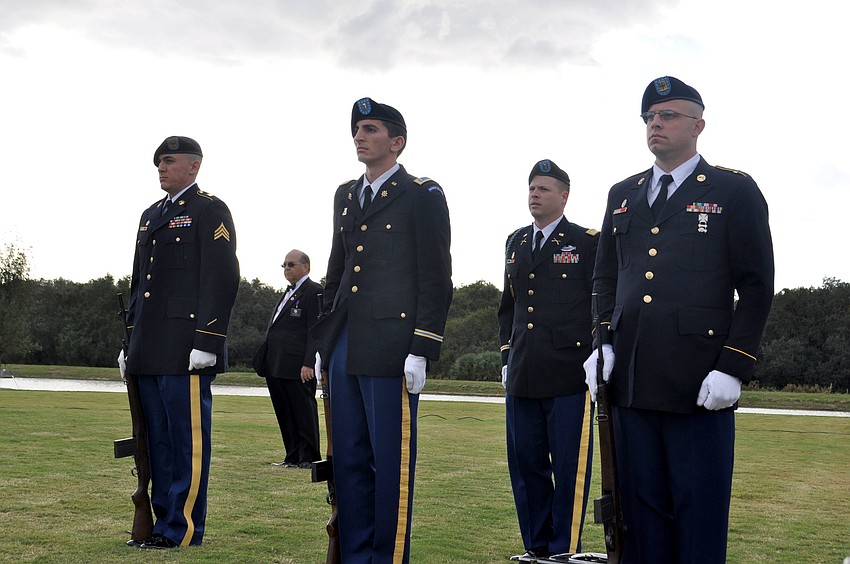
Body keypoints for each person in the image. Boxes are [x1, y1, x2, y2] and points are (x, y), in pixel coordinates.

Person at [584, 76, 774, 562]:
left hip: (698, 383)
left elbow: (755, 285)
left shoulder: (734, 190)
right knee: (639, 518)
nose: (656, 125)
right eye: (650, 117)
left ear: (698, 124)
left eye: (668, 116)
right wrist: (602, 342)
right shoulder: (622, 194)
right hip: (630, 378)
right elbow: (606, 278)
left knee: (698, 516)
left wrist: (733, 365)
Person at [312, 97, 452, 563]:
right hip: (346, 340)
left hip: (393, 344)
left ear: (397, 142)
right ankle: (353, 555)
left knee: (389, 463)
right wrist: (323, 342)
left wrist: (423, 347)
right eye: (357, 129)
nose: (359, 135)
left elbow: (436, 277)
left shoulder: (422, 194)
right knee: (349, 460)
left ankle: (387, 557)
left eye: (370, 129)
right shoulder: (346, 194)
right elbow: (337, 269)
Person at [118, 136, 240, 549]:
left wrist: (207, 339)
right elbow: (140, 285)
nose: (161, 168)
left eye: (169, 161)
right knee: (157, 442)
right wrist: (129, 342)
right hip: (149, 346)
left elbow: (221, 277)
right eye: (158, 163)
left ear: (194, 166)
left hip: (186, 348)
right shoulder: (151, 215)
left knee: (185, 442)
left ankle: (183, 528)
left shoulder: (208, 210)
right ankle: (160, 524)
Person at [498, 159, 598, 560]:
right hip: (523, 370)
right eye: (531, 188)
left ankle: (563, 550)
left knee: (570, 469)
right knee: (526, 465)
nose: (534, 195)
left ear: (564, 195)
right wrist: (507, 356)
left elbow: (599, 302)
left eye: (543, 189)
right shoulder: (516, 242)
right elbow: (509, 306)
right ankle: (536, 546)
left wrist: (597, 355)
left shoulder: (587, 241)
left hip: (569, 373)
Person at [252, 249, 322, 469]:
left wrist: (309, 362)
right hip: (276, 363)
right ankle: (292, 456)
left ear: (306, 267)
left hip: (297, 365)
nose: (287, 269)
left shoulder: (314, 292)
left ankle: (309, 457)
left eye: (291, 264)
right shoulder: (287, 293)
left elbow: (315, 330)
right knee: (284, 412)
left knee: (303, 411)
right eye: (284, 265)